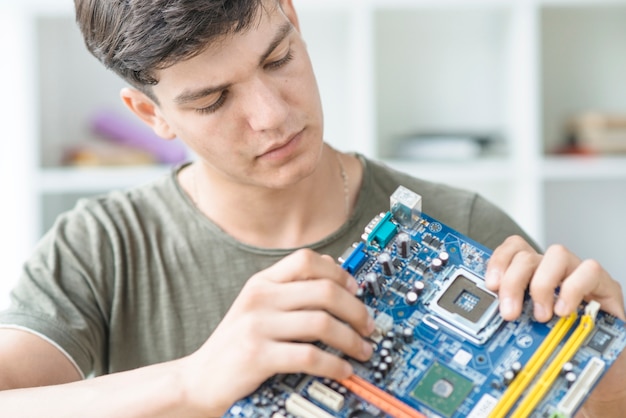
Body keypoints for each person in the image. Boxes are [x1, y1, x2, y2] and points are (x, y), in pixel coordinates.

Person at [0, 0, 624, 416]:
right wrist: (195, 380)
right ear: (150, 115)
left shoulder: (465, 226)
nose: (271, 117)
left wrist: (613, 367)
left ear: (293, 17)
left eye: (278, 59)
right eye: (213, 100)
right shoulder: (101, 247)